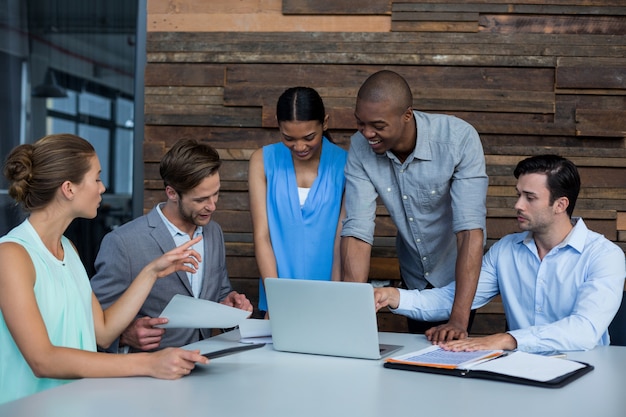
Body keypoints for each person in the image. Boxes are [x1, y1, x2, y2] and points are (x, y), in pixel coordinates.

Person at [0, 134, 209, 404]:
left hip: (72, 405)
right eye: (96, 178)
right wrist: (149, 363)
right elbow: (43, 360)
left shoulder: (68, 249)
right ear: (69, 188)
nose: (103, 187)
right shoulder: (12, 255)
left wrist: (152, 272)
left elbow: (104, 330)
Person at [374, 154, 626, 352]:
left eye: (530, 197)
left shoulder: (604, 256)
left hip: (586, 370)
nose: (518, 205)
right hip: (518, 371)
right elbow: (454, 298)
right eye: (519, 195)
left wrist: (506, 340)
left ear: (560, 205)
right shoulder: (506, 250)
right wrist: (392, 296)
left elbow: (584, 330)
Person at [341, 70, 488, 341]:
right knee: (418, 360)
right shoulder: (359, 147)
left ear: (406, 115)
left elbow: (469, 231)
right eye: (360, 123)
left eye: (378, 125)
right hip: (412, 274)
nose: (367, 133)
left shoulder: (458, 139)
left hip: (458, 275)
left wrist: (458, 319)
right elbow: (357, 231)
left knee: (450, 356)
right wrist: (353, 313)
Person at [91, 138, 252, 352]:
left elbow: (220, 291)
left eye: (216, 194)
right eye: (201, 199)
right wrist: (123, 337)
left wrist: (230, 305)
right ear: (172, 193)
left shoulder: (214, 232)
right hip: (149, 375)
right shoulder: (123, 242)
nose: (212, 206)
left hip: (205, 366)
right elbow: (93, 323)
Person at [248, 86, 347, 315]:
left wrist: (336, 298)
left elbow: (340, 241)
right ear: (278, 126)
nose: (300, 147)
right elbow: (262, 236)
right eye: (288, 138)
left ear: (325, 123)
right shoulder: (261, 161)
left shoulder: (346, 164)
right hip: (278, 298)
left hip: (330, 297)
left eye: (309, 137)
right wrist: (275, 299)